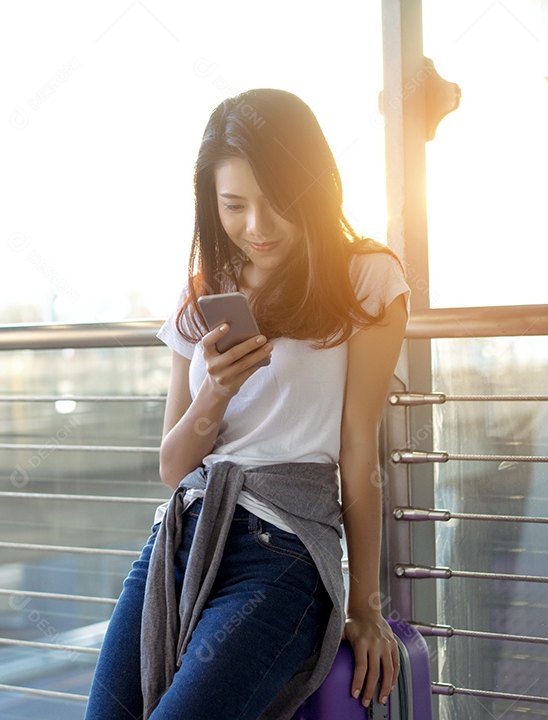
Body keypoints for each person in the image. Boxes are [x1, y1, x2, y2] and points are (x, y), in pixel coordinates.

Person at [85, 88, 410, 719]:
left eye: (278, 203)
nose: (256, 227)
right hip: (180, 539)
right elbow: (174, 466)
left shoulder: (366, 278)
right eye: (234, 205)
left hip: (283, 550)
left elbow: (356, 452)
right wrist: (219, 386)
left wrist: (366, 604)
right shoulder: (202, 294)